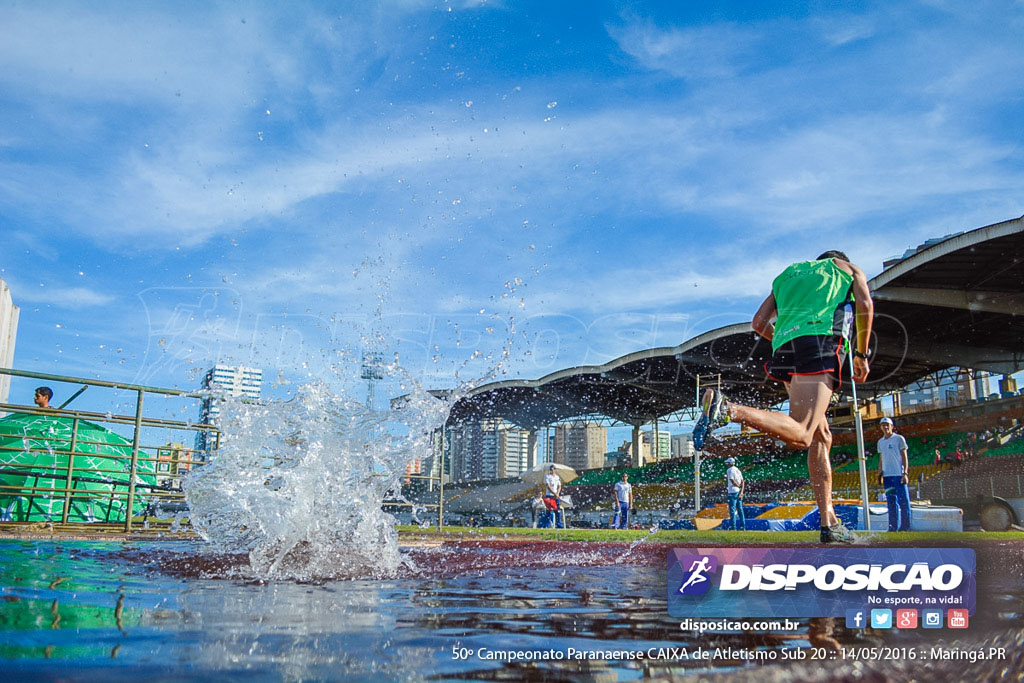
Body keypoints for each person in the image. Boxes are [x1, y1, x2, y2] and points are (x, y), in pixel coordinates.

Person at [693, 250, 874, 544]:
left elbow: (759, 323)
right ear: (836, 257)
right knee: (802, 432)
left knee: (820, 436)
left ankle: (829, 522)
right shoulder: (846, 268)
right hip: (822, 339)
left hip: (786, 346)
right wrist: (862, 354)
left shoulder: (787, 275)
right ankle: (729, 409)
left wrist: (783, 337)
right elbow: (865, 303)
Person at [876, 417, 911, 532]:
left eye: (887, 425)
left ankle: (905, 527)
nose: (885, 427)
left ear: (892, 426)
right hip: (887, 476)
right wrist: (879, 473)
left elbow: (904, 456)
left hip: (898, 474)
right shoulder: (880, 442)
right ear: (880, 427)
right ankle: (892, 527)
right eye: (883, 425)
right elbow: (881, 458)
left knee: (903, 502)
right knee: (891, 502)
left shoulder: (899, 439)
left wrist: (905, 473)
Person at [724, 457, 745, 531]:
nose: (727, 464)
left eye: (728, 463)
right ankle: (743, 527)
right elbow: (743, 481)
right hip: (739, 491)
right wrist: (741, 491)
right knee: (740, 509)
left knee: (732, 510)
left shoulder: (729, 470)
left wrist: (737, 485)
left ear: (730, 463)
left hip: (732, 491)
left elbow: (732, 480)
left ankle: (733, 527)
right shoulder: (738, 470)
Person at [543, 465, 564, 529]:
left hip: (555, 495)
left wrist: (557, 493)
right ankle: (546, 525)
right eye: (551, 469)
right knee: (549, 510)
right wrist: (554, 493)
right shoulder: (547, 476)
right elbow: (548, 486)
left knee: (557, 510)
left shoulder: (557, 477)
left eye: (554, 469)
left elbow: (559, 486)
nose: (552, 470)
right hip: (549, 495)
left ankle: (559, 524)